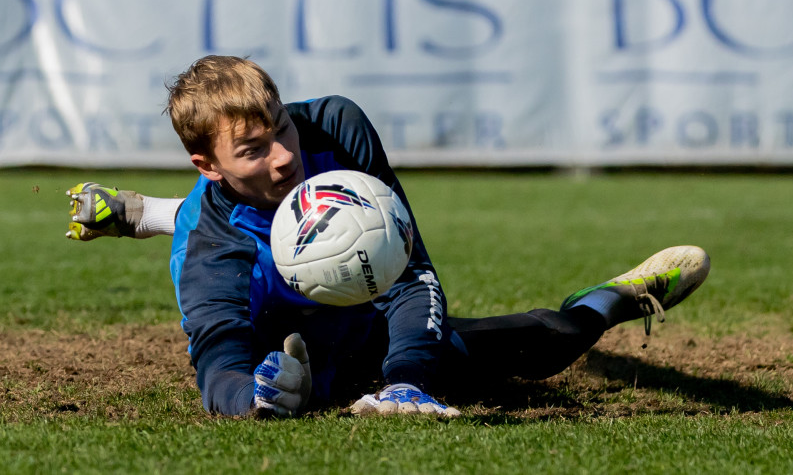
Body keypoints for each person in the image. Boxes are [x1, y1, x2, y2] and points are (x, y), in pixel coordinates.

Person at [66, 55, 711, 418]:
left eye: (282, 129)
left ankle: (616, 297)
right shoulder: (207, 253)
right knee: (303, 385)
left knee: (552, 341)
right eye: (253, 150)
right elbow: (217, 366)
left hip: (370, 330)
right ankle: (140, 211)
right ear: (208, 167)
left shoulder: (337, 131)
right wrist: (253, 394)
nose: (284, 156)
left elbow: (411, 271)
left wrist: (407, 379)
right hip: (303, 362)